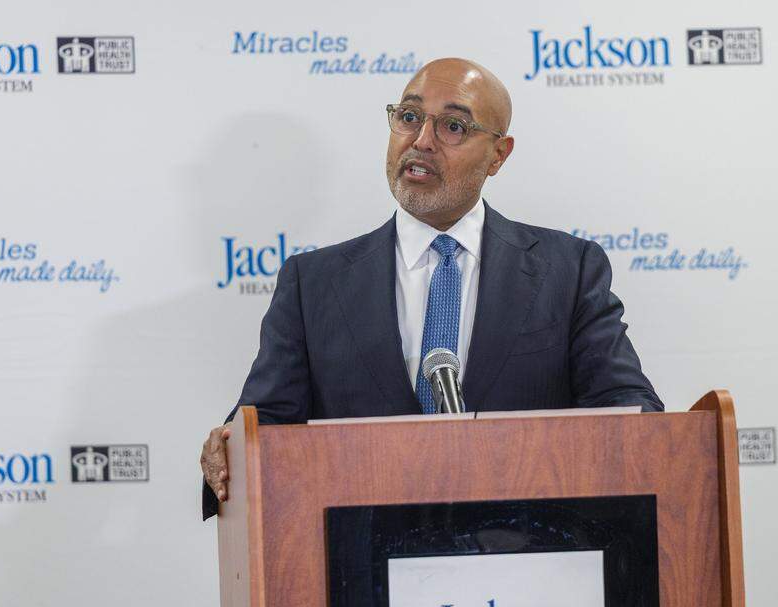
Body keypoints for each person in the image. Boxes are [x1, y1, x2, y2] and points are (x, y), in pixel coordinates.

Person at [200, 57, 662, 518]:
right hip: (358, 562)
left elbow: (626, 411)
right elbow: (265, 428)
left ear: (498, 155)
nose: (421, 141)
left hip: (528, 553)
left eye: (454, 127)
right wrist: (231, 444)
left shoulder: (569, 270)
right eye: (409, 117)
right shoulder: (312, 283)